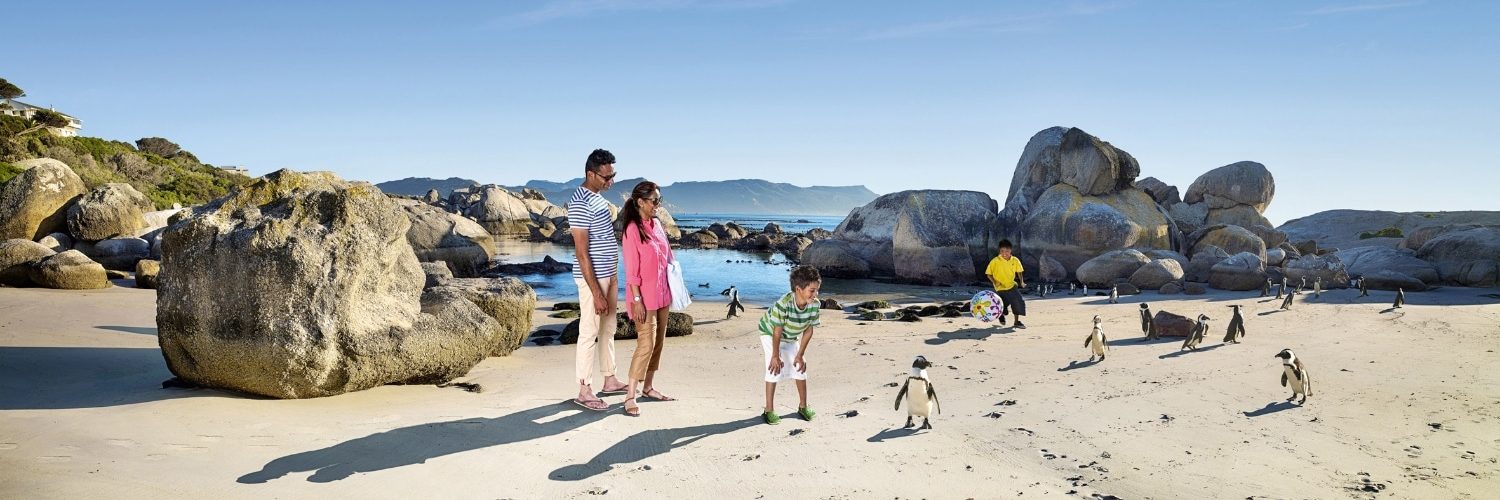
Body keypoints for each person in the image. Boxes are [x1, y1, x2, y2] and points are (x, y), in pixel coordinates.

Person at [568, 149, 629, 411]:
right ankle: (584, 389)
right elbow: (582, 253)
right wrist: (596, 292)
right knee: (589, 331)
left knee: (609, 329)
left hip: (609, 276)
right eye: (606, 177)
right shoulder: (580, 202)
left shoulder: (598, 199)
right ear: (590, 174)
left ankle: (610, 379)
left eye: (613, 175)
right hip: (593, 280)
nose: (611, 182)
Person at [620, 180, 676, 416]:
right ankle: (630, 395)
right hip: (643, 297)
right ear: (641, 202)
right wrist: (636, 300)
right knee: (645, 344)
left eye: (659, 200)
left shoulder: (657, 224)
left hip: (663, 293)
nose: (657, 205)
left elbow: (669, 257)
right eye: (654, 201)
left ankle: (649, 387)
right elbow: (632, 271)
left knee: (658, 344)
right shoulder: (632, 230)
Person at [759, 266, 822, 425]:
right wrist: (775, 355)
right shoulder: (784, 304)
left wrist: (800, 354)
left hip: (791, 335)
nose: (815, 295)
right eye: (812, 291)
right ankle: (769, 410)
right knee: (774, 367)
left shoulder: (814, 304)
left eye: (817, 291)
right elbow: (777, 332)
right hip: (770, 332)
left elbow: (808, 331)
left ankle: (803, 406)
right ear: (798, 289)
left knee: (800, 368)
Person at [985, 239, 1027, 329]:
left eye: (1007, 251)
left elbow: (1019, 272)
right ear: (999, 251)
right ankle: (1001, 315)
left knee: (1017, 301)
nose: (1004, 254)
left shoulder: (1015, 260)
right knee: (1001, 304)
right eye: (1002, 251)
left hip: (1012, 285)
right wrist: (995, 282)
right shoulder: (995, 261)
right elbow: (988, 274)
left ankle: (1016, 322)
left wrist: (1022, 282)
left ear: (1010, 250)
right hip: (1000, 287)